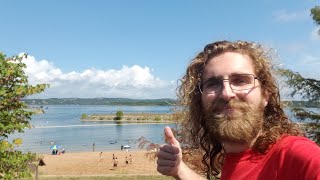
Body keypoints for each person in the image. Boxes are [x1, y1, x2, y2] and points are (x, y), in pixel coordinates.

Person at [156, 40, 320, 180]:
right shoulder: (236, 157)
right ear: (201, 100)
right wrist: (179, 169)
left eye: (240, 81)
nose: (226, 93)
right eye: (213, 83)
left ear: (265, 95)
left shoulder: (300, 157)